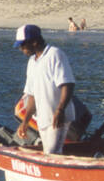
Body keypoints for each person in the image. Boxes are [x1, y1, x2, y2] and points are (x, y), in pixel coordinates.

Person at [14, 23, 76, 155]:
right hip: (43, 119)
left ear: (35, 42)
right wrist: (25, 122)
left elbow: (68, 84)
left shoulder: (55, 55)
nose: (21, 49)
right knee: (49, 152)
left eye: (23, 45)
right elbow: (32, 95)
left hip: (58, 117)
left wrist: (60, 110)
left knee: (53, 153)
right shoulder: (32, 62)